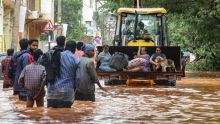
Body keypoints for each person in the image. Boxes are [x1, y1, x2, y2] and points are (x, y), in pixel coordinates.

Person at [47, 41, 82, 108]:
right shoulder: (76, 60)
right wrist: (76, 88)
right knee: (65, 115)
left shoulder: (56, 55)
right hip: (67, 91)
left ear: (65, 47)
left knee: (52, 114)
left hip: (52, 90)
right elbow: (78, 77)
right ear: (75, 49)